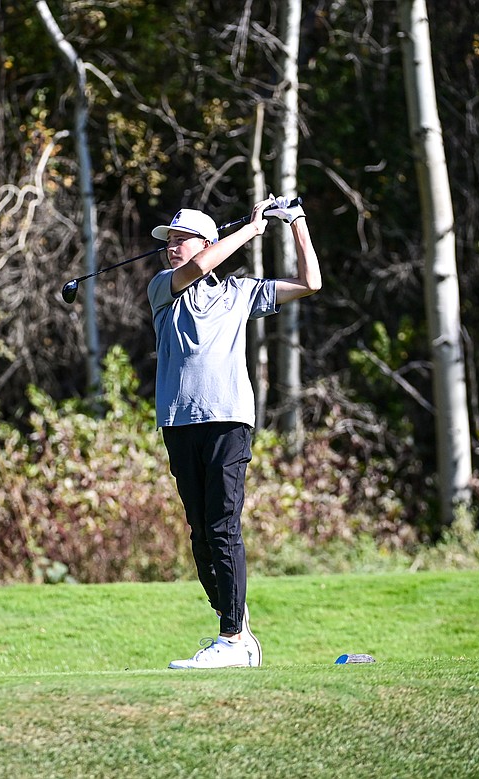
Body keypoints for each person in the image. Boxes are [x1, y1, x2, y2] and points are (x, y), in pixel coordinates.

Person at [148, 195, 321, 669]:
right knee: (201, 535)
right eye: (169, 241)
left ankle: (231, 639)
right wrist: (251, 228)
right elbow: (197, 267)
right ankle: (238, 627)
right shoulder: (164, 288)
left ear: (205, 240)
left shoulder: (239, 293)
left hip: (228, 419)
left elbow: (311, 282)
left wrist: (295, 222)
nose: (172, 248)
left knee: (223, 527)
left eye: (182, 240)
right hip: (180, 421)